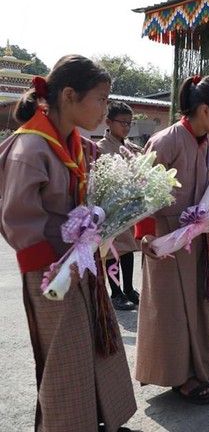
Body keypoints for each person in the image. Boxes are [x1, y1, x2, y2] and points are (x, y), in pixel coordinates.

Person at [0, 55, 136, 431]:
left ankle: (100, 419)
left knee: (95, 344)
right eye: (101, 99)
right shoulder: (30, 148)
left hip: (81, 263)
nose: (105, 109)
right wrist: (60, 268)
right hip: (50, 273)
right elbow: (17, 222)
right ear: (70, 96)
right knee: (67, 358)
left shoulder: (77, 143)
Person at [135, 75, 209, 404]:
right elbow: (138, 190)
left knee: (200, 304)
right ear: (205, 110)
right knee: (171, 309)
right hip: (164, 234)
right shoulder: (166, 140)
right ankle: (178, 376)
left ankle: (204, 368)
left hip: (197, 236)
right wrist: (145, 234)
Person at [97, 101, 143, 311]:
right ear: (108, 122)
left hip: (128, 208)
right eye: (122, 122)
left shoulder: (131, 147)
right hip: (110, 209)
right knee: (113, 251)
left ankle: (129, 289)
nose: (126, 126)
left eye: (129, 123)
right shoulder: (100, 148)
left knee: (128, 249)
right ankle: (116, 293)